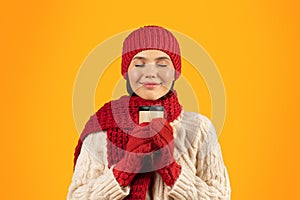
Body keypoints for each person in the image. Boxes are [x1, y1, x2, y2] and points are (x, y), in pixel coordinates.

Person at [67, 25, 231, 200]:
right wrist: (123, 172)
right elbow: (76, 197)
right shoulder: (103, 127)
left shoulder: (200, 129)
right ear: (126, 72)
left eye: (162, 64)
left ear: (175, 72)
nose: (151, 73)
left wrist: (173, 172)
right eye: (139, 64)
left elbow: (220, 196)